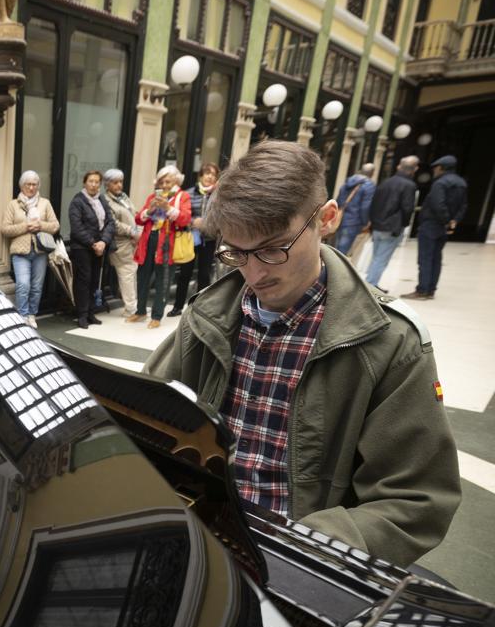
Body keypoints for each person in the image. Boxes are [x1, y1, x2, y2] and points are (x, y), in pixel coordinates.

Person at [144, 141, 459, 567]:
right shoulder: (209, 313)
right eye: (236, 252)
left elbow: (416, 498)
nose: (253, 274)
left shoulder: (388, 342)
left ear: (326, 219)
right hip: (198, 534)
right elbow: (146, 410)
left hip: (301, 562)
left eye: (274, 249)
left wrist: (304, 544)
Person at [130, 166, 190, 328]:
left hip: (167, 244)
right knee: (142, 278)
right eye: (161, 181)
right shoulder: (153, 196)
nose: (164, 185)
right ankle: (140, 311)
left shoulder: (181, 197)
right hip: (148, 240)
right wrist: (149, 210)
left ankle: (157, 316)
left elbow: (185, 219)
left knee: (162, 281)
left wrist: (168, 208)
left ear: (176, 181)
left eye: (167, 181)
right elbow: (138, 219)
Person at [1, 170, 60, 328]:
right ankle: (23, 315)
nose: (32, 188)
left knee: (36, 286)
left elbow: (55, 226)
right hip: (20, 252)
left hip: (40, 251)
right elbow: (5, 229)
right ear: (22, 186)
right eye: (28, 184)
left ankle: (32, 314)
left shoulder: (45, 203)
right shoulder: (13, 205)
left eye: (34, 184)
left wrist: (41, 226)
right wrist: (26, 226)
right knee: (23, 284)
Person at [406, 154, 468, 300]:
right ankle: (431, 289)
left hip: (432, 224)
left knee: (425, 258)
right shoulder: (461, 183)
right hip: (443, 227)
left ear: (441, 168)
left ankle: (422, 290)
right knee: (436, 258)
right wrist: (454, 220)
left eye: (436, 168)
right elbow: (463, 205)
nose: (434, 171)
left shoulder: (440, 183)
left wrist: (446, 219)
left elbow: (437, 204)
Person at [170, 163, 219, 316]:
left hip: (209, 239)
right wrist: (193, 221)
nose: (209, 176)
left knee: (204, 275)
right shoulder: (189, 193)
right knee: (185, 273)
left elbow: (222, 216)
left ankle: (198, 309)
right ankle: (178, 306)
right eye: (207, 173)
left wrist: (207, 223)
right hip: (190, 238)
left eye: (213, 174)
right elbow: (182, 213)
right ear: (200, 176)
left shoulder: (219, 196)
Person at [68, 170, 115, 329]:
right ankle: (81, 314)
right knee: (84, 280)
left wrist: (103, 242)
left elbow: (110, 222)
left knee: (95, 280)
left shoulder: (102, 199)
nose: (94, 185)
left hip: (100, 247)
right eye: (91, 181)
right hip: (82, 247)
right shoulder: (77, 201)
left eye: (97, 182)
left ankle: (90, 312)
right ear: (84, 183)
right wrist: (93, 244)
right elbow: (77, 227)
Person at [365, 155, 418, 291]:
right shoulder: (409, 186)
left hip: (378, 226)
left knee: (376, 258)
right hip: (392, 228)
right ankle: (370, 287)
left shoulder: (385, 182)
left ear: (399, 167)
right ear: (414, 169)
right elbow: (407, 208)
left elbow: (373, 204)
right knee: (381, 259)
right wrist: (403, 225)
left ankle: (370, 284)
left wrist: (373, 222)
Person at [103, 168, 139, 317]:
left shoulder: (123, 197)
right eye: (115, 182)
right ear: (107, 184)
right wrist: (132, 231)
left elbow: (134, 214)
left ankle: (133, 306)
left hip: (132, 243)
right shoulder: (105, 200)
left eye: (120, 182)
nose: (119, 185)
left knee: (132, 273)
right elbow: (114, 224)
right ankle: (131, 308)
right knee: (126, 275)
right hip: (120, 244)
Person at [333, 162, 375, 256]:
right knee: (342, 251)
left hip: (341, 219)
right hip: (353, 221)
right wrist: (365, 222)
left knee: (338, 247)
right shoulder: (369, 185)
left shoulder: (348, 181)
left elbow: (339, 200)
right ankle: (335, 269)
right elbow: (365, 206)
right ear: (372, 173)